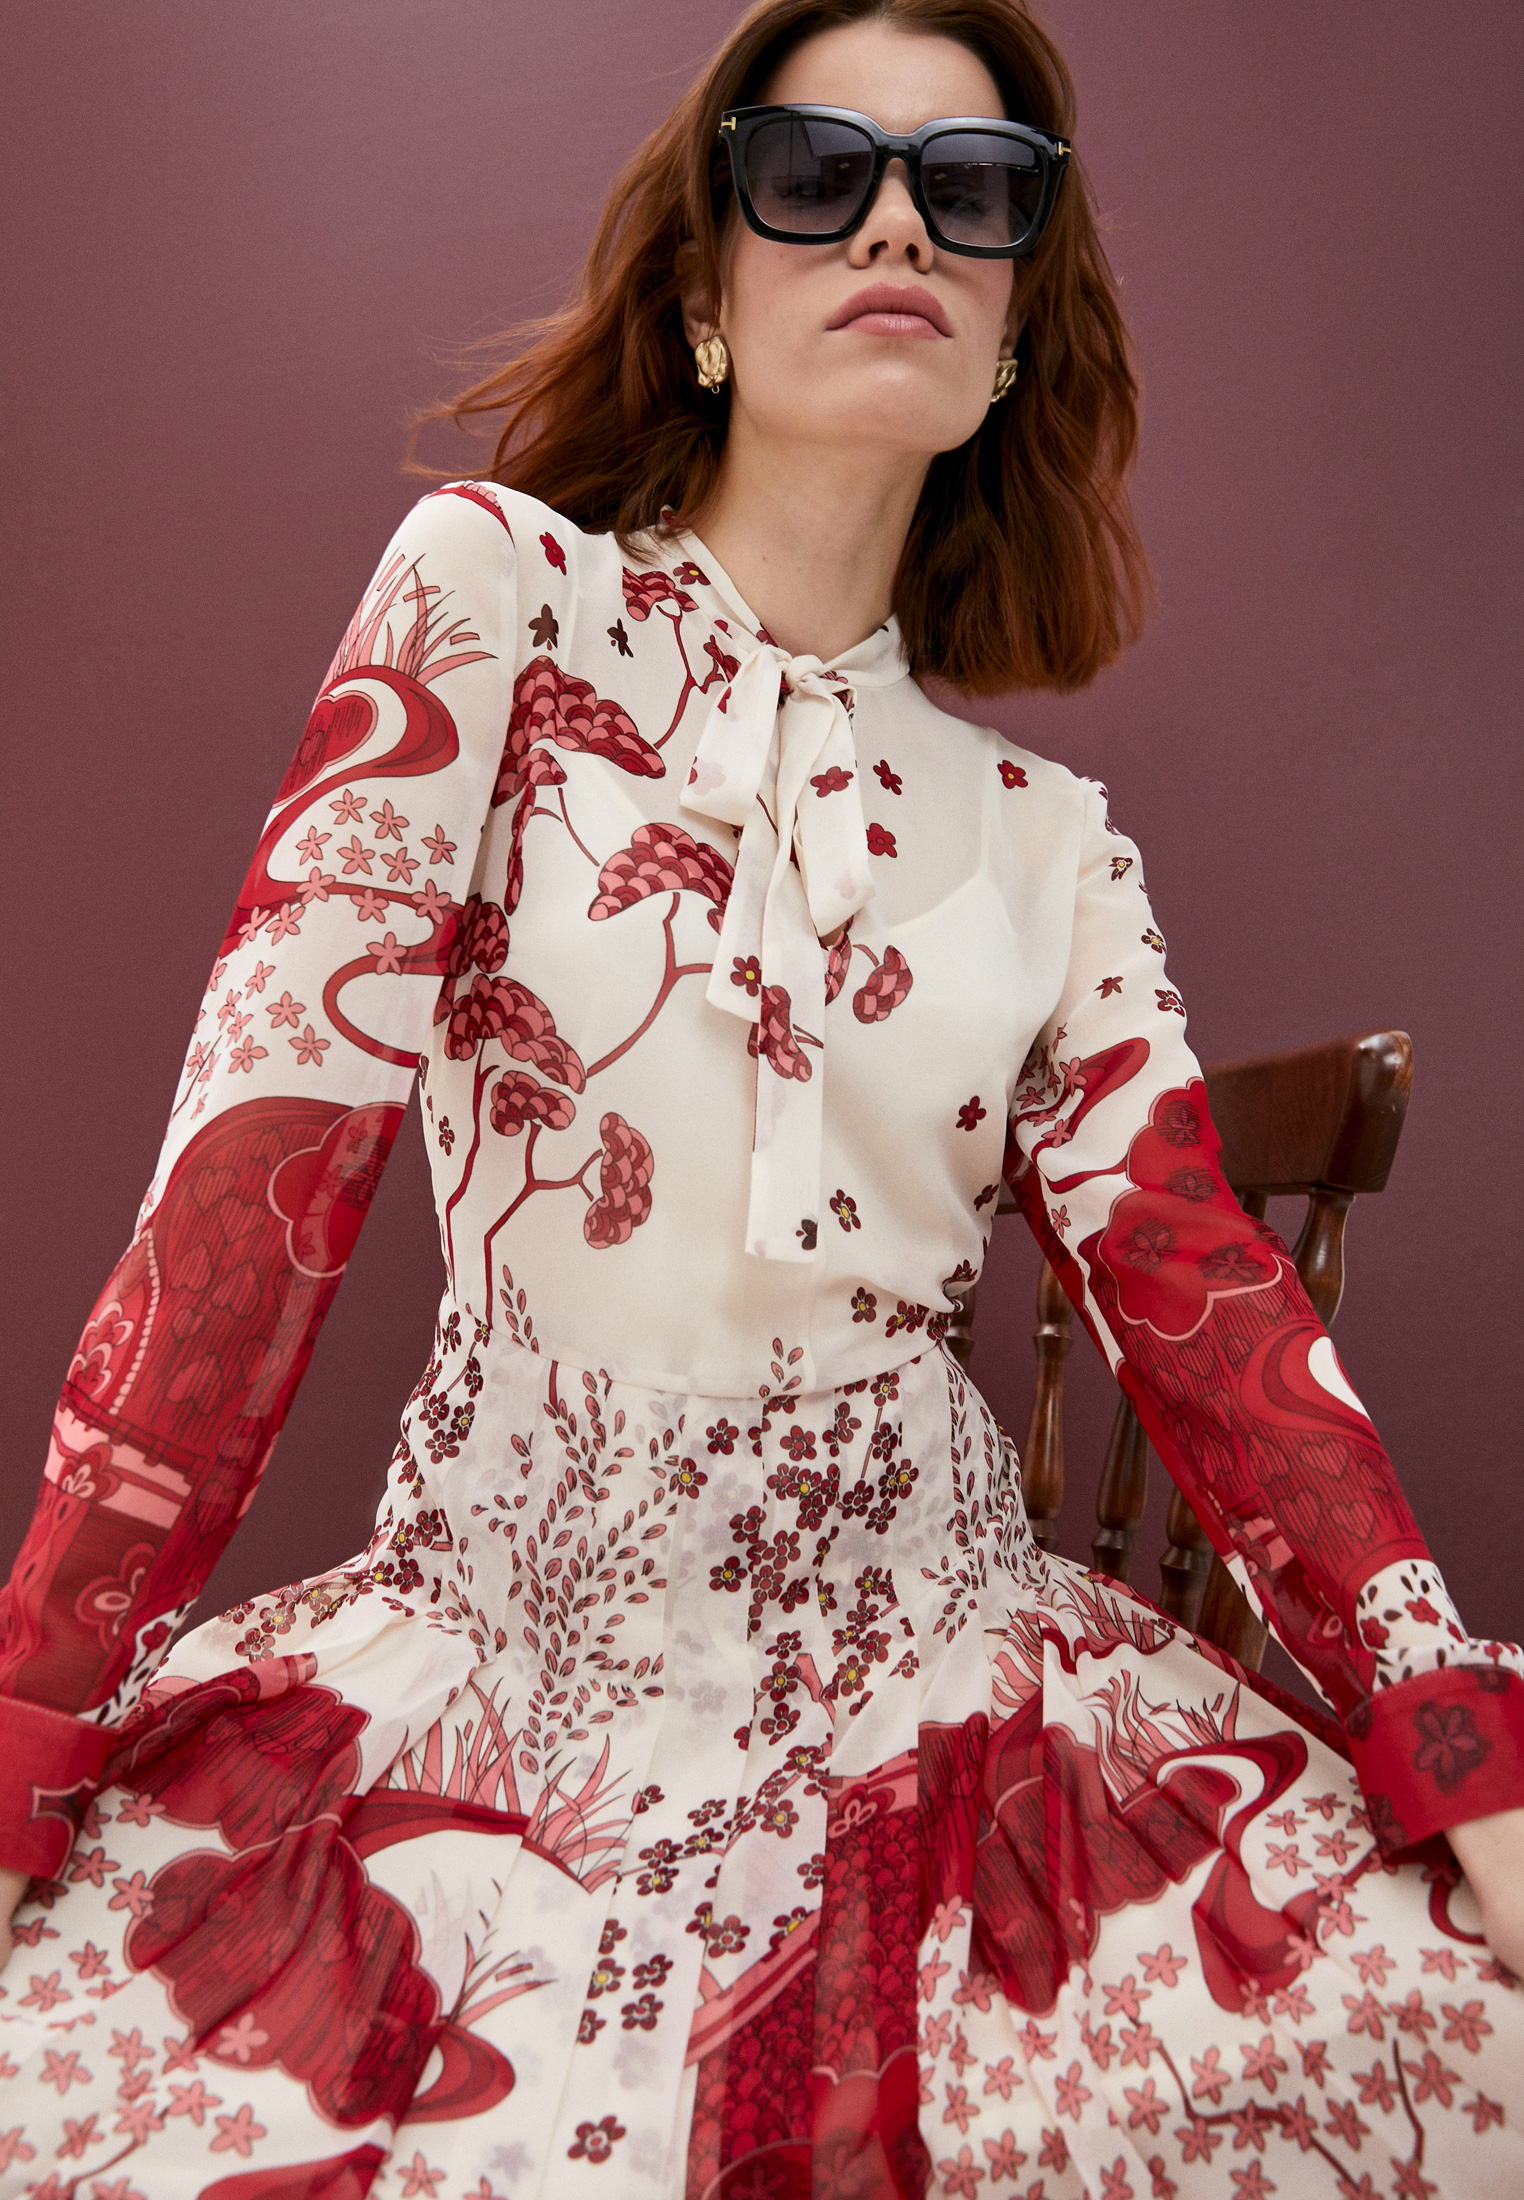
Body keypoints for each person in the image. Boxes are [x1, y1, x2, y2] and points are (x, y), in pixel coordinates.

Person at [0, 0, 1519, 2191]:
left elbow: (1214, 1317)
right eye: (817, 173)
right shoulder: (490, 596)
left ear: (1012, 331)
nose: (898, 224)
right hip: (497, 1665)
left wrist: (1460, 1742)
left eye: (974, 193)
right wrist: (33, 1723)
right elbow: (251, 1188)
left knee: (1452, 2043)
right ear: (705, 289)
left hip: (949, 1691)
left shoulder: (1052, 843)